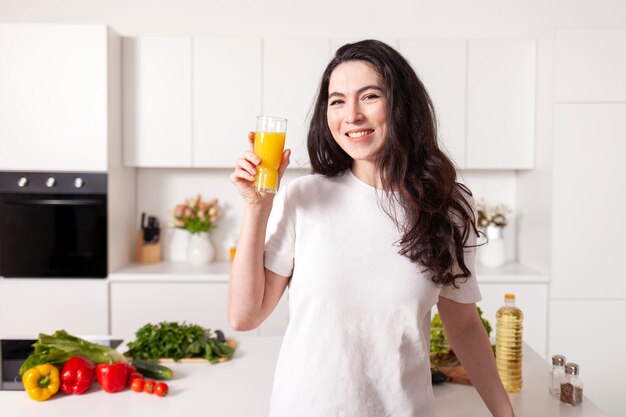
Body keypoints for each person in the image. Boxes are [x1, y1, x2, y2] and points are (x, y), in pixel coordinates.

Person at [229, 39, 514, 417]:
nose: (352, 115)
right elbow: (245, 316)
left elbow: (462, 326)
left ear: (401, 105)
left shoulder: (449, 208)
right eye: (337, 101)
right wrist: (257, 208)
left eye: (369, 96)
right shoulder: (305, 196)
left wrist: (505, 413)